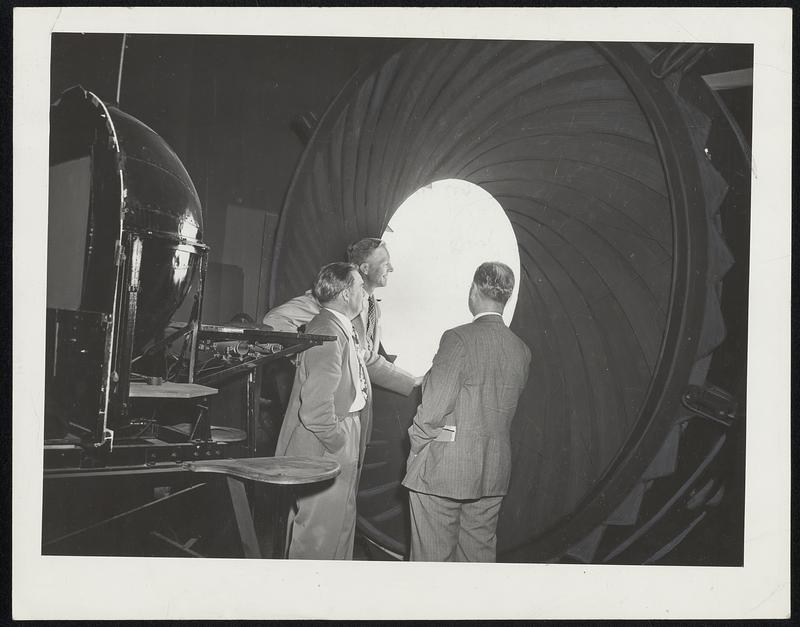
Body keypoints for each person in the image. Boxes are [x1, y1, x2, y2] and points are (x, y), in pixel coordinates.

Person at [402, 261, 531, 562]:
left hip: (442, 471)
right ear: (506, 297)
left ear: (474, 290)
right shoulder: (520, 349)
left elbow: (432, 410)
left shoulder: (457, 338)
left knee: (431, 568)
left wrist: (416, 451)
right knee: (476, 567)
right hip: (493, 471)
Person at [274, 262, 371, 559]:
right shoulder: (327, 330)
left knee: (340, 524)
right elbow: (315, 410)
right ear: (344, 295)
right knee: (318, 534)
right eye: (359, 287)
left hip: (343, 430)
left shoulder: (339, 327)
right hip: (328, 441)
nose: (365, 293)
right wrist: (338, 442)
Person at [263, 237, 421, 394]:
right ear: (365, 268)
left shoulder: (373, 307)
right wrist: (303, 355)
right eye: (385, 264)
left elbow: (364, 355)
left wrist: (409, 380)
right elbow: (275, 319)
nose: (392, 268)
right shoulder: (333, 298)